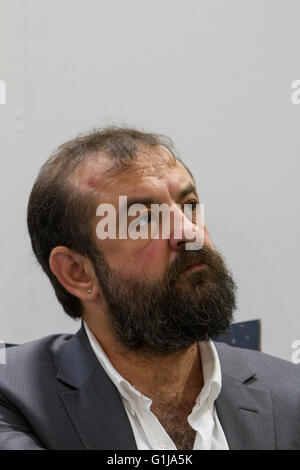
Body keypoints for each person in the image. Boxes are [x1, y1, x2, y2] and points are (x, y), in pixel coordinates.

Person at [0, 127, 299, 450]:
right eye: (144, 219)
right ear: (77, 272)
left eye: (190, 205)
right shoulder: (16, 398)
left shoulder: (290, 396)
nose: (188, 232)